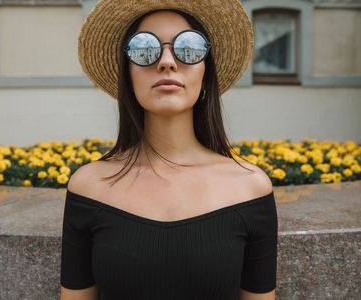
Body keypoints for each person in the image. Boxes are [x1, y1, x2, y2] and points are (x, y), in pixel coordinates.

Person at [60, 1, 278, 299]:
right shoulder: (89, 187)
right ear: (129, 75)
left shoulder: (251, 188)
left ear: (205, 73)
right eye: (144, 48)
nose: (166, 61)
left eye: (188, 47)